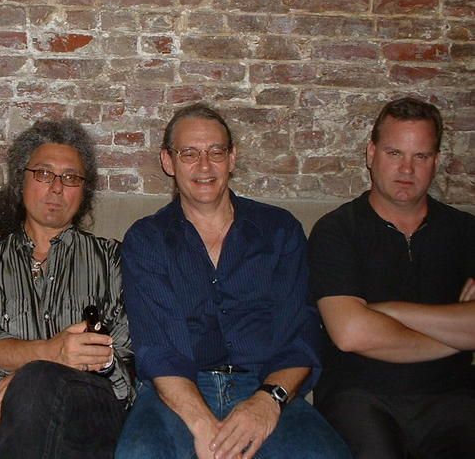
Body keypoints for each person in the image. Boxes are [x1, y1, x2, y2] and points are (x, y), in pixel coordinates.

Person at [116, 103, 351, 459]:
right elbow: (158, 350)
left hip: (264, 385)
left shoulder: (279, 231)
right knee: (139, 453)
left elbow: (300, 335)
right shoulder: (147, 240)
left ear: (232, 158)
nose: (204, 166)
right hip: (177, 393)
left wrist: (267, 402)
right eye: (189, 153)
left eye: (216, 152)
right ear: (168, 161)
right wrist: (204, 427)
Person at [0, 119, 134, 459]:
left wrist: (30, 373)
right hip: (13, 416)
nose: (56, 188)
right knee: (33, 391)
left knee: (35, 382)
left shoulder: (113, 261)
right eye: (44, 174)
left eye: (71, 177)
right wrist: (53, 352)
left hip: (94, 406)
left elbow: (123, 353)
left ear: (84, 191)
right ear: (20, 181)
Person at [308, 97, 475, 458]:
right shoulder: (337, 231)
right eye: (394, 153)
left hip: (455, 398)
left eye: (421, 156)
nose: (406, 169)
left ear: (436, 161)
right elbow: (351, 333)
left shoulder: (466, 232)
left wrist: (389, 312)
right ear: (371, 154)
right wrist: (458, 337)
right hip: (360, 397)